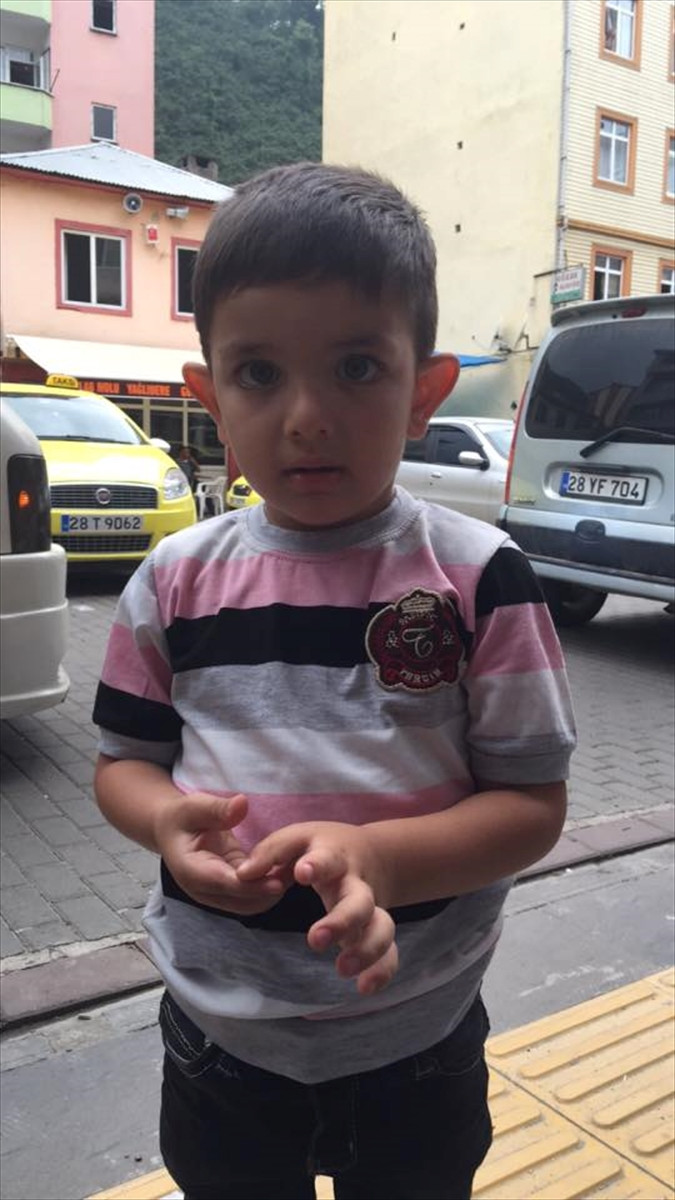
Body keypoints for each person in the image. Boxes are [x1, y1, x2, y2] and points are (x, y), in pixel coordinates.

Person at [92, 163, 576, 1200]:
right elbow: (123, 764)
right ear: (210, 398)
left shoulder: (480, 577)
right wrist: (166, 822)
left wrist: (379, 860)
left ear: (423, 392)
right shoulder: (173, 582)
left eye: (356, 367)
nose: (307, 416)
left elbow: (532, 806)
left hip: (418, 1037)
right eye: (260, 373)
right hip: (220, 1041)